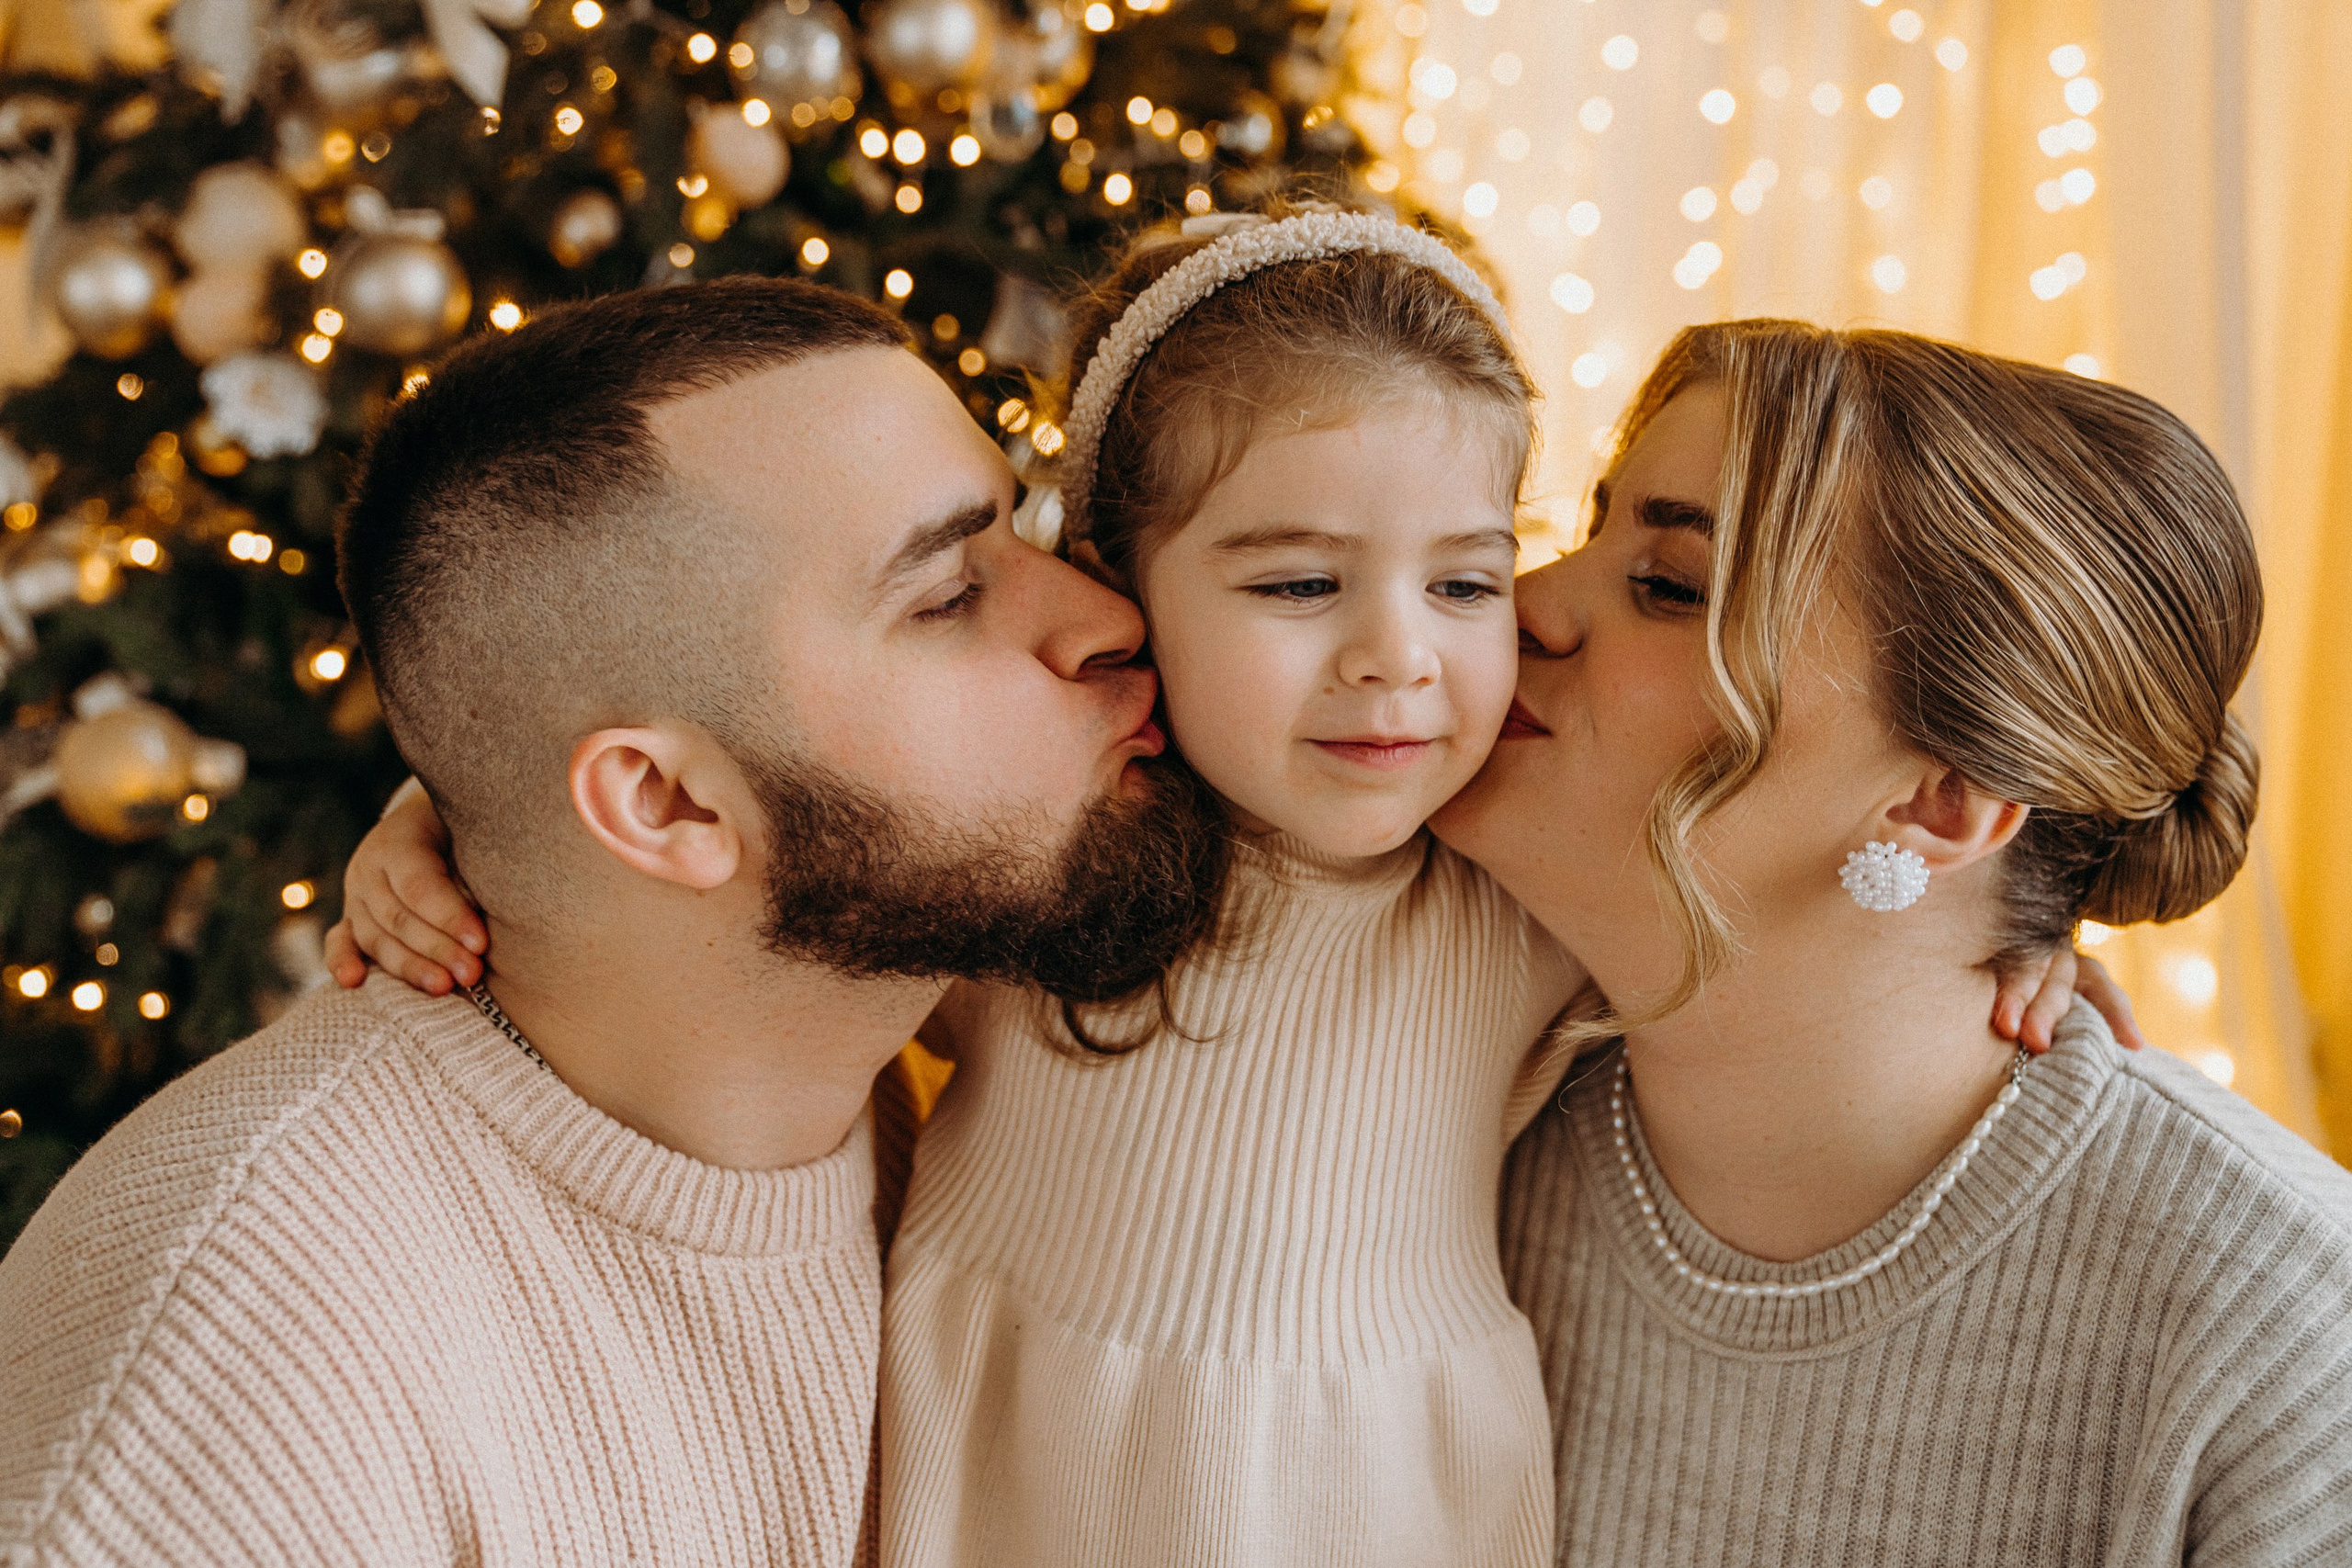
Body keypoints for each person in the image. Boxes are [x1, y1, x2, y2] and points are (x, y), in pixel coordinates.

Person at [323, 213, 2115, 1567]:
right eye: (1295, 586)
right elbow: (738, 827)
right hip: (1018, 1470)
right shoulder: (1061, 853)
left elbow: (1786, 943)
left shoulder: (1507, 876)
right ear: (1121, 589)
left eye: (1465, 582)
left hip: (1375, 1493)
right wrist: (433, 817)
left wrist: (2028, 948)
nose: (1397, 661)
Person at [0, 277, 1226, 1566]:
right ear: (666, 804)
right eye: (945, 598)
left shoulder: (984, 998)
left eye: (1027, 526)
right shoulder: (237, 1400)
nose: (1106, 618)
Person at [1437, 320, 2352, 1563]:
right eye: (1590, 532)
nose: (1526, 602)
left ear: (1940, 805)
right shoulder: (1445, 1089)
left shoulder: (2286, 1339)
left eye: (1671, 586)